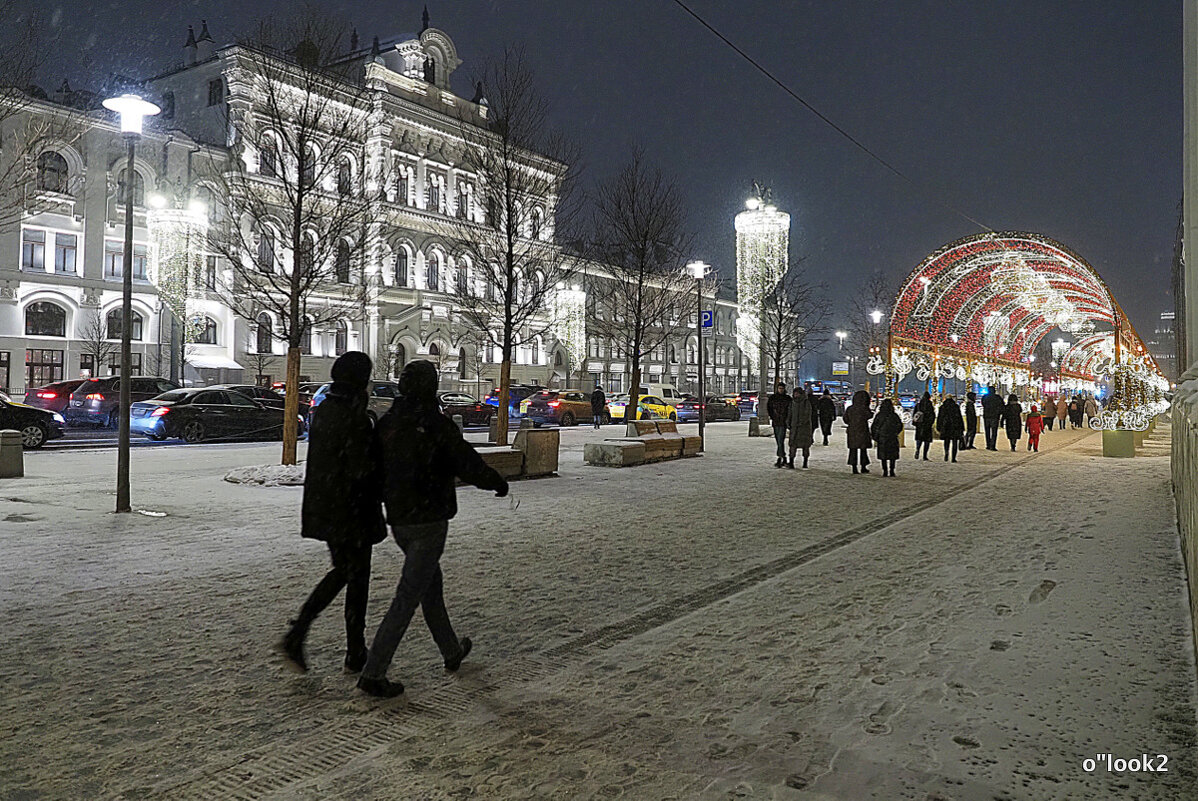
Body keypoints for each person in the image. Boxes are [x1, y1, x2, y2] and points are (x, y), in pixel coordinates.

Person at [358, 360, 509, 699]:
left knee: (429, 585)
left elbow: (372, 469)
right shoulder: (436, 424)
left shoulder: (389, 424)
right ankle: (374, 670)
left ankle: (451, 650)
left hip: (399, 518)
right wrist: (496, 482)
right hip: (429, 520)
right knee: (408, 596)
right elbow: (467, 462)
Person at [278, 351, 386, 675]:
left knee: (348, 573)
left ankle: (349, 647)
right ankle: (308, 634)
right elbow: (361, 467)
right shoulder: (351, 415)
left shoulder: (327, 409)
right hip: (350, 509)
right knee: (352, 575)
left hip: (330, 506)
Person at [870, 397, 903, 476]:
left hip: (882, 437)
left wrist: (875, 436)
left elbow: (874, 426)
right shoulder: (894, 415)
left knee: (883, 455)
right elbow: (900, 425)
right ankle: (892, 470)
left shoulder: (879, 415)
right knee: (892, 455)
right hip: (892, 437)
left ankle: (885, 471)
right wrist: (895, 432)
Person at [844, 389, 874, 474]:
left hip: (852, 430)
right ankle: (863, 466)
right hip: (862, 429)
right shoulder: (864, 408)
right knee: (863, 449)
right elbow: (869, 416)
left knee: (853, 449)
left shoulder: (850, 408)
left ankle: (854, 467)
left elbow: (845, 419)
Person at [787, 386, 814, 468]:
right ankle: (791, 462)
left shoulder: (806, 402)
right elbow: (790, 413)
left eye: (797, 393)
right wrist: (788, 422)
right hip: (794, 427)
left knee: (805, 446)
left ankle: (805, 462)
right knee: (792, 445)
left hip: (804, 428)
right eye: (795, 393)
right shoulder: (792, 403)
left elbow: (807, 414)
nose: (796, 395)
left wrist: (802, 422)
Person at [767, 382, 792, 468]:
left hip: (783, 422)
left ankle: (780, 458)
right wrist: (773, 416)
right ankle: (783, 457)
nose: (780, 390)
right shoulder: (773, 398)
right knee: (778, 440)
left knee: (780, 440)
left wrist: (788, 419)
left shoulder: (787, 398)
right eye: (779, 388)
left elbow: (790, 410)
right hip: (776, 421)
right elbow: (769, 408)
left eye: (782, 388)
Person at [937, 394, 964, 462]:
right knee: (955, 442)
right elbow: (959, 418)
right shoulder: (955, 407)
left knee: (946, 441)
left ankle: (946, 452)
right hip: (954, 427)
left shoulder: (942, 407)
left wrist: (939, 427)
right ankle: (953, 457)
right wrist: (961, 427)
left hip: (946, 426)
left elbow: (940, 418)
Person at [912, 391, 935, 461]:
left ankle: (917, 449)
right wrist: (930, 422)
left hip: (919, 424)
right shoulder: (930, 405)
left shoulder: (918, 405)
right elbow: (932, 415)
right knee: (926, 441)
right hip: (927, 425)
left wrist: (916, 423)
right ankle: (925, 455)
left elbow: (914, 415)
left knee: (919, 439)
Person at [981, 385, 1005, 450]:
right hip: (995, 416)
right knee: (994, 432)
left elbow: (983, 404)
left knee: (987, 431)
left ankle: (988, 444)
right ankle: (992, 445)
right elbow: (1002, 406)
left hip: (986, 416)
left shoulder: (985, 397)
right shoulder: (997, 397)